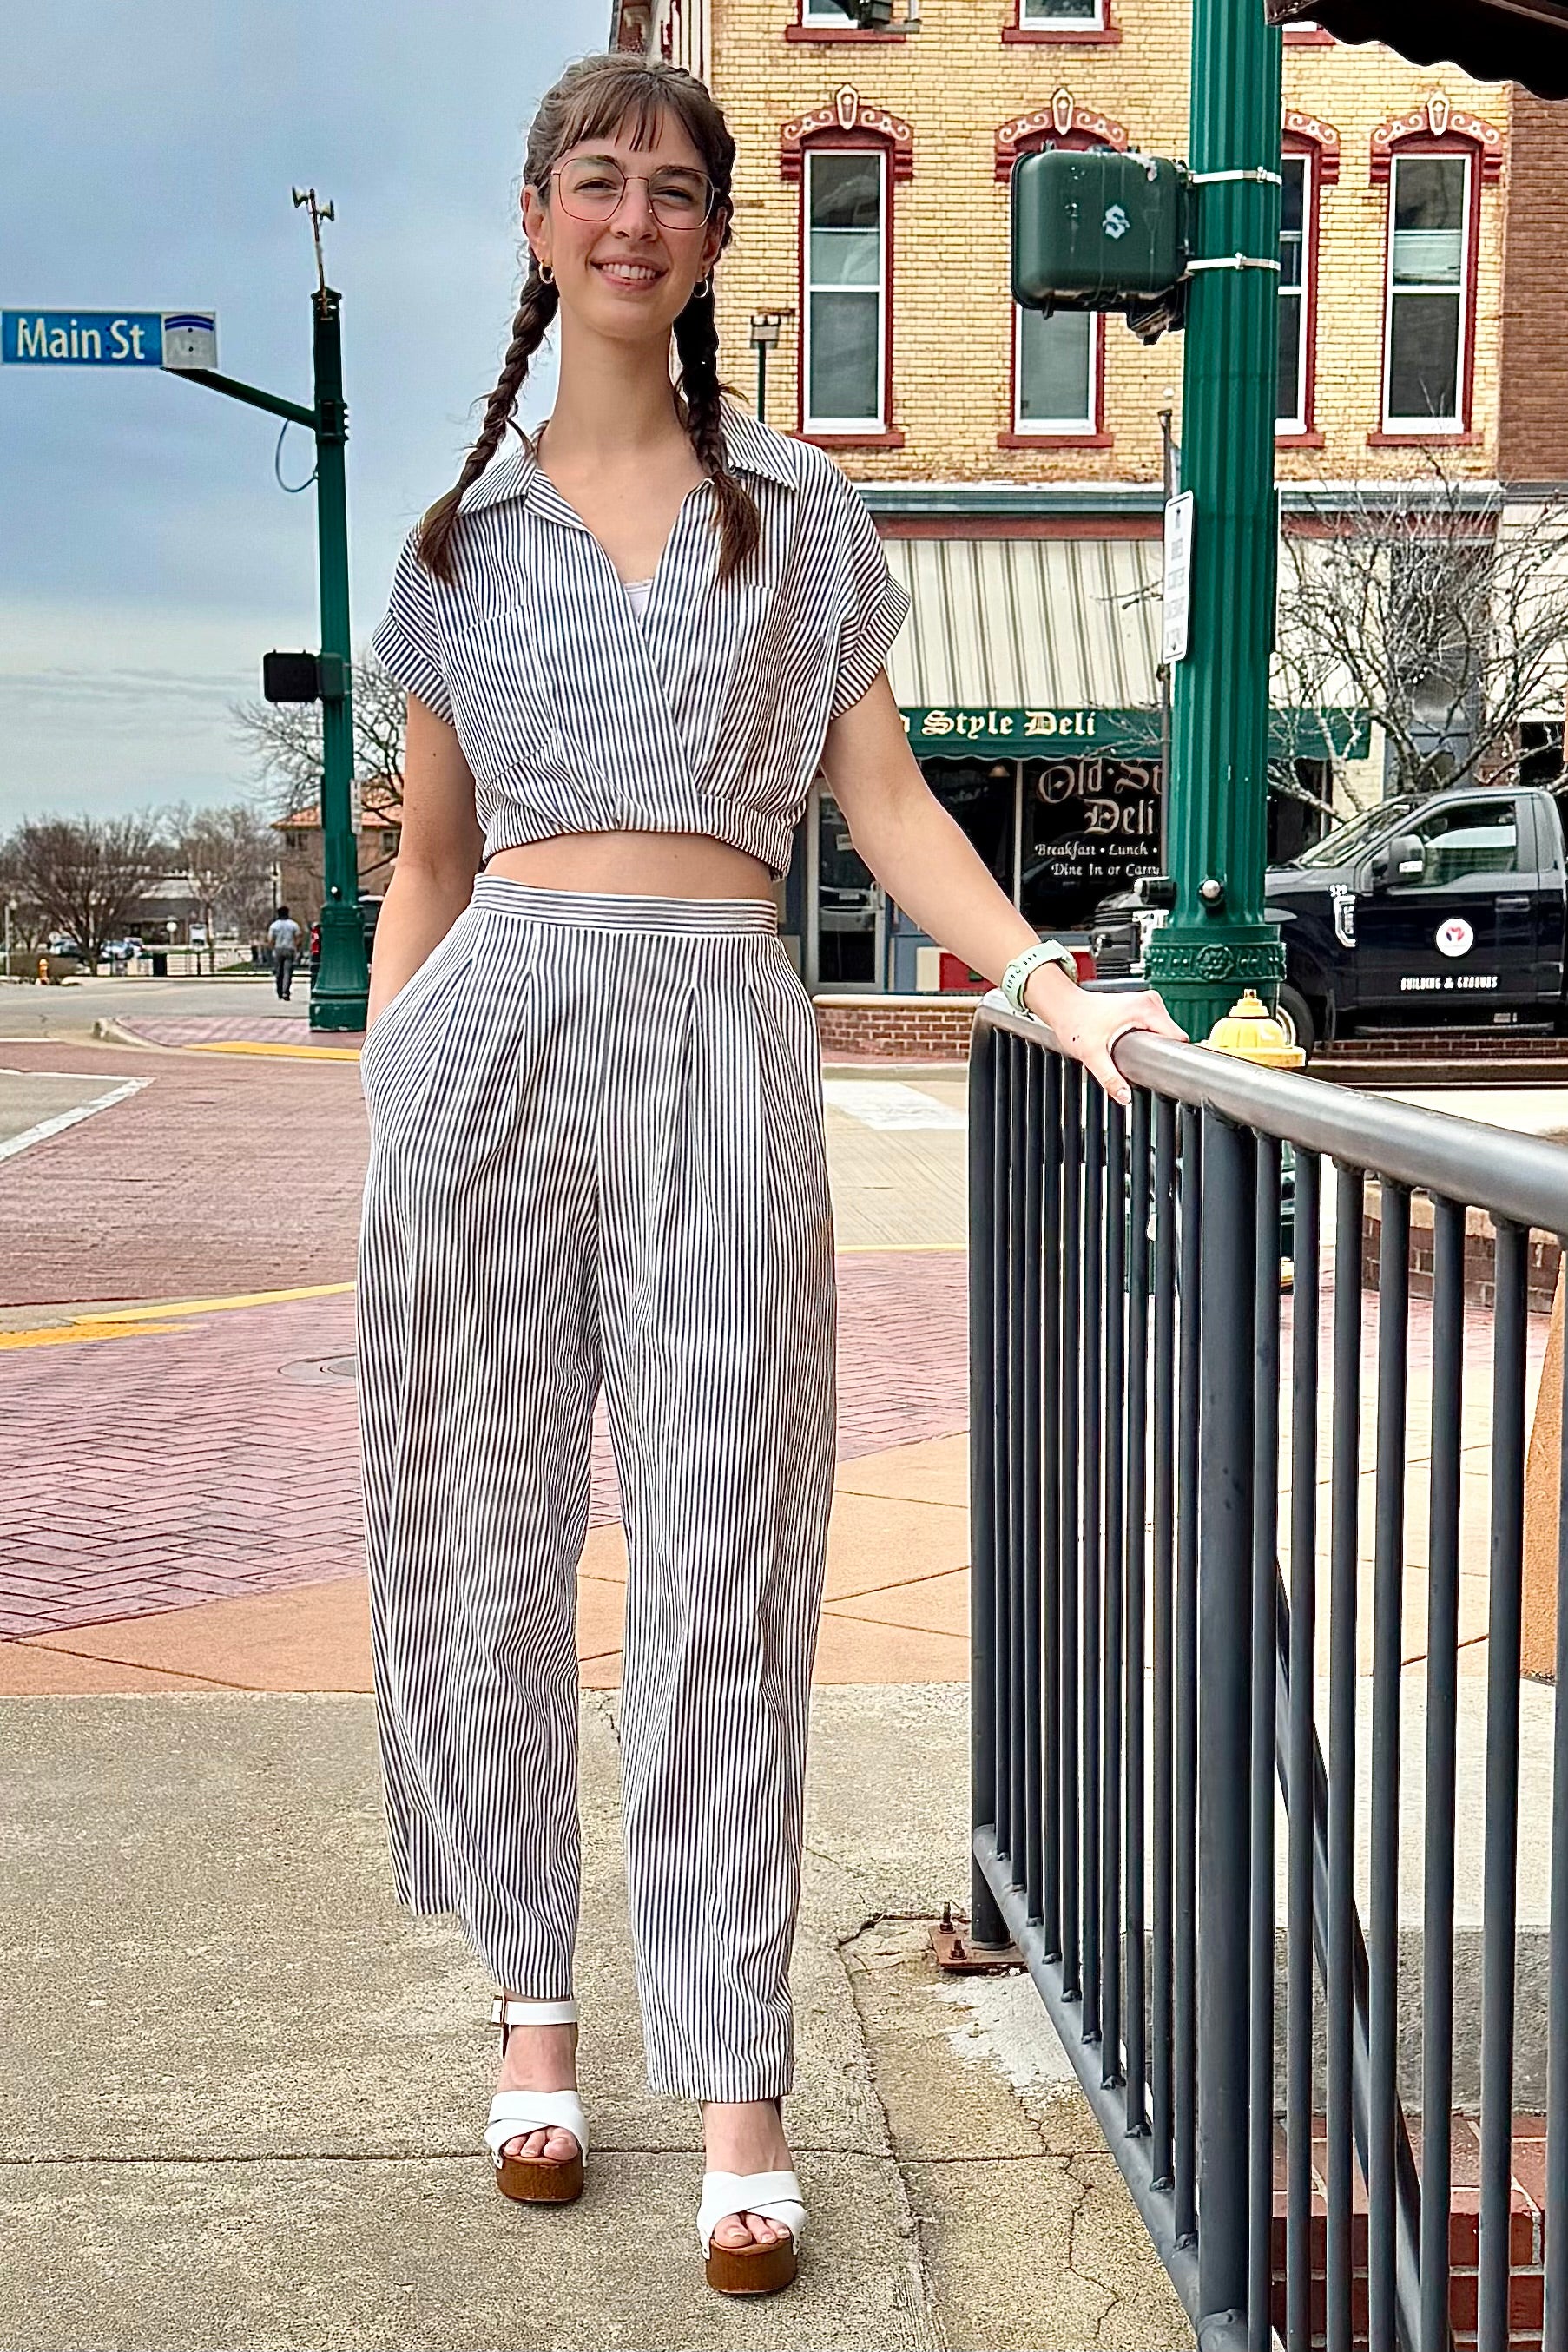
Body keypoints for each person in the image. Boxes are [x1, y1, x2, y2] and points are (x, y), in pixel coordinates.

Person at [359, 49, 1183, 2298]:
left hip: (727, 1027)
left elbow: (892, 808)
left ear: (711, 240)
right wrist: (382, 1094)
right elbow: (424, 864)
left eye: (673, 186)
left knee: (728, 1556)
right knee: (490, 1537)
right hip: (490, 1054)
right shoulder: (452, 548)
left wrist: (1048, 986)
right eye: (595, 178)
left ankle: (734, 2071)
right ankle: (531, 2003)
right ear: (534, 219)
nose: (634, 212)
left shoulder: (800, 517)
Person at [267, 906, 303, 1000]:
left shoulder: (274, 925)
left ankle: (279, 991)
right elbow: (299, 937)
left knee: (279, 972)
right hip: (289, 949)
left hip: (278, 949)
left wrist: (272, 949)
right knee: (288, 972)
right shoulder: (293, 925)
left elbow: (270, 939)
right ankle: (285, 991)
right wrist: (297, 948)